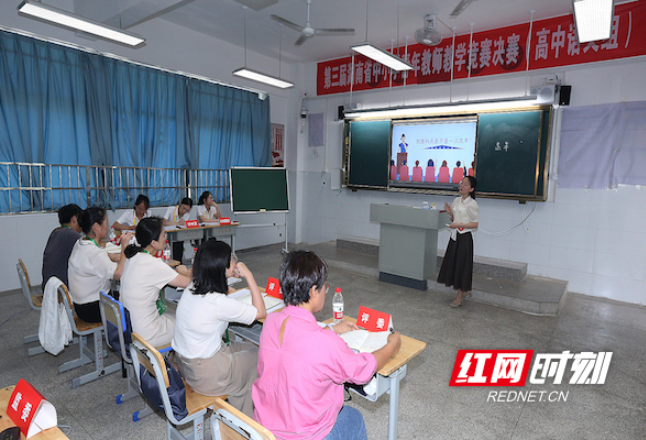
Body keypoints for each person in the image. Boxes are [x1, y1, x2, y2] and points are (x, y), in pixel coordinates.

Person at [253, 250, 401, 440]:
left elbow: (299, 340)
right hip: (303, 435)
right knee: (353, 418)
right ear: (314, 291)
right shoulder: (325, 342)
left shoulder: (271, 321)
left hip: (265, 429)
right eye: (324, 287)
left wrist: (332, 329)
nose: (324, 291)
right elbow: (363, 370)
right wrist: (392, 345)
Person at [172, 240, 266, 417]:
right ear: (219, 268)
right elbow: (260, 312)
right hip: (208, 374)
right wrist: (249, 276)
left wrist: (227, 279)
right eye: (231, 260)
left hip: (188, 365)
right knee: (261, 356)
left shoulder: (194, 286)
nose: (235, 262)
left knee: (252, 349)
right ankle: (244, 421)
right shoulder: (218, 302)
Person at [121, 217, 191, 347]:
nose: (166, 238)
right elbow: (188, 283)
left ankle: (170, 361)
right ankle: (184, 364)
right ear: (153, 242)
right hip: (146, 334)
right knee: (188, 324)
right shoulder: (153, 264)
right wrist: (184, 272)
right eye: (163, 235)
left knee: (171, 315)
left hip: (129, 327)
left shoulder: (132, 257)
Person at [68, 207, 133, 323]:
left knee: (123, 294)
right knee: (131, 298)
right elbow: (119, 274)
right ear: (97, 227)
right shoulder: (96, 254)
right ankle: (128, 335)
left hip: (80, 306)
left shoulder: (80, 242)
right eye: (106, 223)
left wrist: (114, 257)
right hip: (94, 309)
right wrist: (124, 247)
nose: (108, 227)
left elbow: (94, 259)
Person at [437, 176, 479, 308]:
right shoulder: (456, 201)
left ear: (471, 189)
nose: (462, 186)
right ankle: (463, 290)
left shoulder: (472, 204)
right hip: (455, 237)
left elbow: (475, 224)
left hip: (465, 238)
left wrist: (458, 224)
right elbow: (455, 219)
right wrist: (450, 214)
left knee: (463, 267)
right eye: (462, 183)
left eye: (466, 184)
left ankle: (460, 295)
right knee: (454, 265)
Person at [41, 204, 82, 290]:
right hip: (60, 289)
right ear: (74, 219)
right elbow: (89, 253)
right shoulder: (71, 234)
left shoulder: (56, 231)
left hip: (49, 285)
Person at [162, 197, 193, 262]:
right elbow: (163, 222)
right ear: (180, 204)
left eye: (187, 210)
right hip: (167, 236)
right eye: (183, 208)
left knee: (179, 244)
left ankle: (178, 263)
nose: (184, 211)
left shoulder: (187, 215)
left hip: (179, 237)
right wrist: (177, 223)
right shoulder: (170, 209)